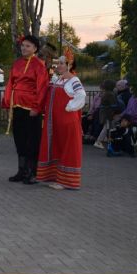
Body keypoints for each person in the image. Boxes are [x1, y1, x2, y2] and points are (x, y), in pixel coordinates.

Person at [1, 35, 49, 185]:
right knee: (20, 139)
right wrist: (7, 102)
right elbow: (10, 83)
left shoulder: (39, 65)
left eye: (28, 46)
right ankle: (21, 171)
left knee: (32, 141)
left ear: (35, 49)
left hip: (31, 108)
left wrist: (37, 107)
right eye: (23, 45)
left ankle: (32, 173)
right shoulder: (17, 64)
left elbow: (42, 88)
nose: (24, 48)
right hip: (17, 106)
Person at [36, 52, 87, 190]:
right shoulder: (59, 79)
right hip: (55, 122)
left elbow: (81, 95)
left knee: (67, 148)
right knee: (57, 147)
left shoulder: (74, 80)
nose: (58, 65)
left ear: (69, 65)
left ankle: (67, 181)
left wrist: (70, 106)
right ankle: (56, 177)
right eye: (58, 63)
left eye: (62, 63)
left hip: (67, 121)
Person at [93, 79, 119, 149]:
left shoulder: (106, 93)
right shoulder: (110, 94)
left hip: (103, 112)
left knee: (108, 127)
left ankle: (108, 140)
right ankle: (98, 141)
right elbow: (113, 105)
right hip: (108, 113)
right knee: (106, 127)